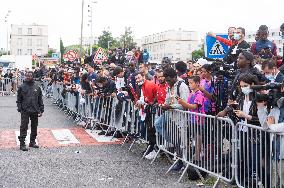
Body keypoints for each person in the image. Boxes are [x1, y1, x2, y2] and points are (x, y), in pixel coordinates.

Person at [16, 71, 44, 151]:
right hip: (25, 110)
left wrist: (41, 109)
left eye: (29, 76)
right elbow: (19, 99)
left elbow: (40, 99)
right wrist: (20, 108)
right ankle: (22, 143)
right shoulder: (22, 87)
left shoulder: (37, 87)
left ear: (33, 77)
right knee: (24, 126)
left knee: (34, 126)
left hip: (35, 110)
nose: (28, 77)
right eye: (26, 76)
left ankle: (32, 142)